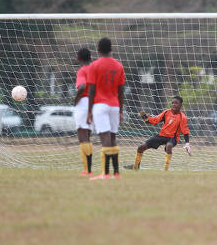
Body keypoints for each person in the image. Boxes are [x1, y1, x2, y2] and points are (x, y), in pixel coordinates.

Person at [86, 38, 125, 180]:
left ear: (98, 49)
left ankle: (105, 173)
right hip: (114, 105)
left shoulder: (94, 66)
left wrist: (89, 111)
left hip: (100, 105)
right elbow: (121, 90)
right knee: (112, 137)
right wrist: (121, 110)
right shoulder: (119, 66)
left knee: (105, 138)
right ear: (111, 49)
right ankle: (116, 173)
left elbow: (91, 90)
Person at [126, 96, 191, 171]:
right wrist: (146, 118)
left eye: (176, 103)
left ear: (180, 105)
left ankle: (166, 170)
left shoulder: (182, 117)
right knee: (141, 147)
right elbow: (155, 120)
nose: (174, 104)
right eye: (172, 103)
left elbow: (185, 130)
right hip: (162, 135)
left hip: (173, 138)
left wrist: (187, 143)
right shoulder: (166, 112)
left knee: (169, 146)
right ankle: (136, 166)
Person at [74, 48, 93, 177]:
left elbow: (82, 86)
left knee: (82, 136)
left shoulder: (82, 70)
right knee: (88, 136)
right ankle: (89, 168)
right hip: (94, 103)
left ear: (79, 59)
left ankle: (86, 170)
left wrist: (76, 99)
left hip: (83, 102)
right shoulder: (95, 70)